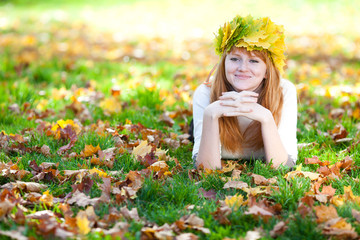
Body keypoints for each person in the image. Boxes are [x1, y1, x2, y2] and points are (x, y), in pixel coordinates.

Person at [192, 15, 298, 170]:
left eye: (254, 61)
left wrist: (266, 118)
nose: (242, 68)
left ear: (267, 71)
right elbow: (206, 169)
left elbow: (283, 166)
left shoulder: (284, 91)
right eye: (235, 59)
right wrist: (210, 114)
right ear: (224, 63)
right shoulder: (205, 92)